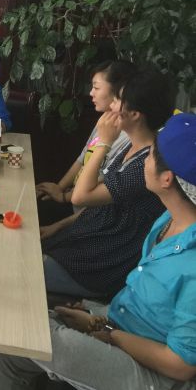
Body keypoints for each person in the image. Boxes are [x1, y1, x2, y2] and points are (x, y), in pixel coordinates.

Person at [0, 113, 196, 390]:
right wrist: (95, 316)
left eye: (151, 155)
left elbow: (179, 366)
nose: (145, 160)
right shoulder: (167, 220)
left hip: (150, 373)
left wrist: (108, 331)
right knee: (8, 350)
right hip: (117, 323)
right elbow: (141, 302)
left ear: (167, 179)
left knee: (21, 329)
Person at [40, 69, 174, 298]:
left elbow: (80, 197)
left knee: (21, 267)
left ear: (135, 114)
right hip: (84, 240)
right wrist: (58, 227)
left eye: (118, 99)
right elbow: (98, 205)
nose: (112, 105)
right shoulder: (130, 146)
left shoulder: (147, 165)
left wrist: (103, 142)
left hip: (100, 263)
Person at [36, 60, 137, 225]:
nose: (91, 93)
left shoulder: (128, 138)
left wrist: (63, 198)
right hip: (73, 200)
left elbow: (103, 181)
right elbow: (82, 158)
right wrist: (59, 188)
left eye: (96, 87)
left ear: (118, 91)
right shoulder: (105, 121)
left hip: (87, 213)